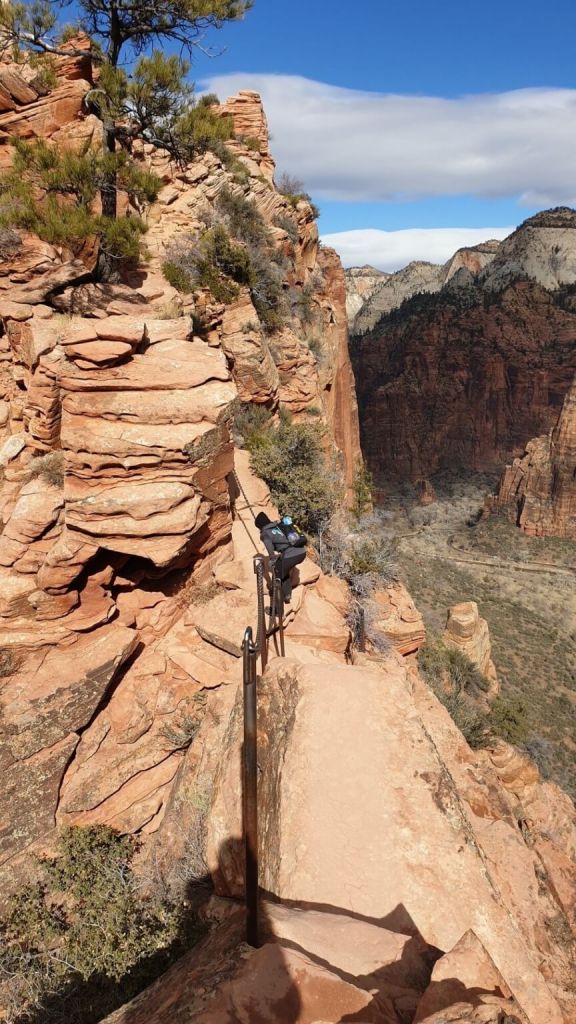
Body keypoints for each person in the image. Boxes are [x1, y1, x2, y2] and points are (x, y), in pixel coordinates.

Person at [255, 512, 307, 602]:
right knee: (283, 571)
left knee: (276, 575)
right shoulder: (278, 525)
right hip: (301, 552)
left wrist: (272, 559)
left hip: (291, 555)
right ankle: (287, 595)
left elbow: (270, 549)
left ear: (259, 525)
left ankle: (276, 609)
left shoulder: (265, 533)